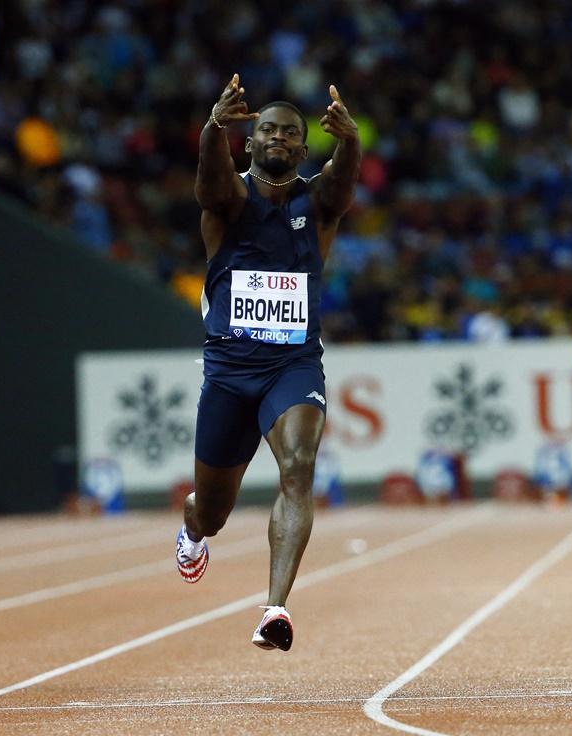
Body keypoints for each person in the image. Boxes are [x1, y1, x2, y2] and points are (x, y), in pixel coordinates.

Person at [175, 74, 360, 651]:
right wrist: (211, 128)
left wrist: (350, 141)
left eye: (290, 134)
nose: (278, 138)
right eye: (268, 130)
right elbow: (209, 181)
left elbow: (345, 185)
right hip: (230, 373)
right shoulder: (229, 199)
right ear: (249, 144)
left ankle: (274, 608)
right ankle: (192, 528)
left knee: (299, 465)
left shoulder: (319, 201)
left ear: (304, 150)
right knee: (213, 509)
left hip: (293, 366)